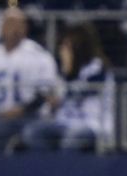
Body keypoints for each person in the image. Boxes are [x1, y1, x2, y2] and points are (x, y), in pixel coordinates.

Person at [0, 7, 60, 153]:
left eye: (18, 24)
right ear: (2, 27)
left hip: (28, 116)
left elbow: (46, 93)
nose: (14, 28)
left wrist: (21, 110)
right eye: (9, 23)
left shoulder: (39, 55)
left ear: (25, 28)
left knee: (0, 129)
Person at [22, 23, 114, 153]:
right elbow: (54, 99)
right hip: (64, 122)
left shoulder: (97, 68)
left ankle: (64, 171)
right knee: (32, 132)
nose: (62, 51)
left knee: (72, 138)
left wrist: (67, 75)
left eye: (67, 46)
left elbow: (83, 91)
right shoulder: (64, 72)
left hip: (91, 124)